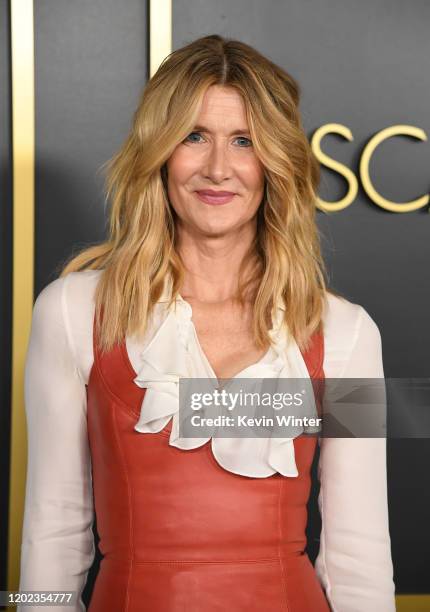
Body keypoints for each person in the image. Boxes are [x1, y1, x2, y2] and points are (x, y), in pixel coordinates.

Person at [18, 34, 395, 611]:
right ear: (160, 152)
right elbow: (54, 526)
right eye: (195, 136)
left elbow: (359, 550)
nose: (218, 168)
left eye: (244, 141)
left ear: (274, 163)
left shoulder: (347, 334)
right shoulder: (71, 311)